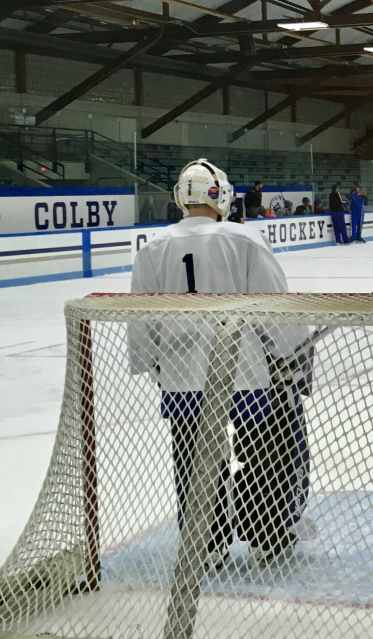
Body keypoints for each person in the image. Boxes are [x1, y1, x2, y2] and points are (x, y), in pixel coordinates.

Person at [129, 158, 311, 570]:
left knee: (193, 456)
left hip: (180, 378)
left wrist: (156, 367)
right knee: (263, 451)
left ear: (181, 197)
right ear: (221, 196)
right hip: (245, 372)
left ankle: (205, 544)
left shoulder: (153, 247)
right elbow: (275, 307)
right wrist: (290, 356)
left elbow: (141, 324)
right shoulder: (242, 239)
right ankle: (269, 535)